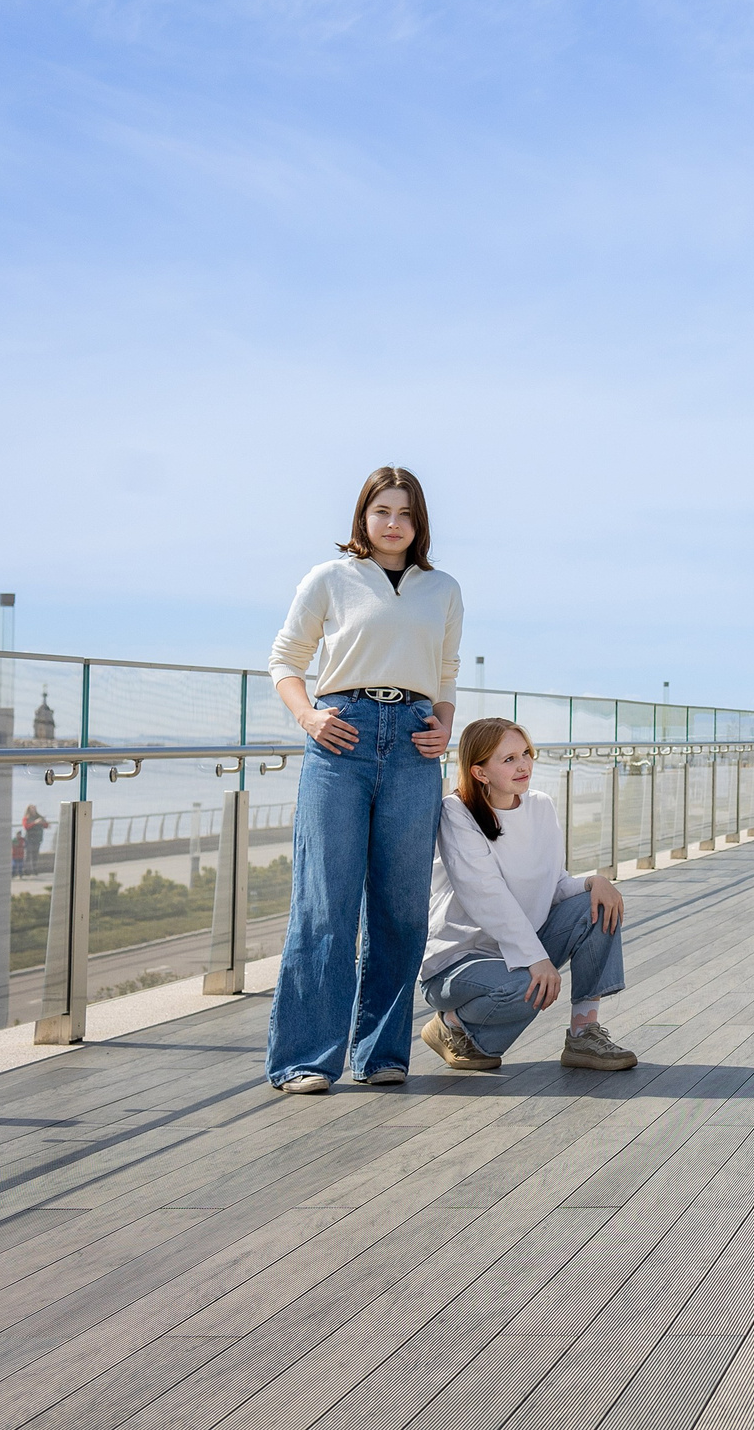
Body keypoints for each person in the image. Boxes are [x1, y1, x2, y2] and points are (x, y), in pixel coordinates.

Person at [265, 466, 462, 1094]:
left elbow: (447, 672)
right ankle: (305, 1059)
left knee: (402, 907)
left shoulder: (443, 588)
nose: (394, 524)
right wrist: (307, 716)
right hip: (340, 735)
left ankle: (381, 1054)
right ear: (363, 517)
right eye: (382, 511)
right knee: (326, 902)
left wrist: (444, 727)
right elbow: (285, 659)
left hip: (412, 740)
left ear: (419, 521)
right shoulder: (330, 579)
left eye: (405, 513)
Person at [419, 718, 637, 1073]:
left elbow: (553, 885)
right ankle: (452, 1026)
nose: (523, 765)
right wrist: (536, 959)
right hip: (458, 962)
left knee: (597, 905)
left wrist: (593, 882)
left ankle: (584, 1034)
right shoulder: (456, 812)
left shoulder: (540, 805)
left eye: (526, 754)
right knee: (526, 986)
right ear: (480, 772)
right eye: (508, 760)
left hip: (518, 949)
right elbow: (486, 895)